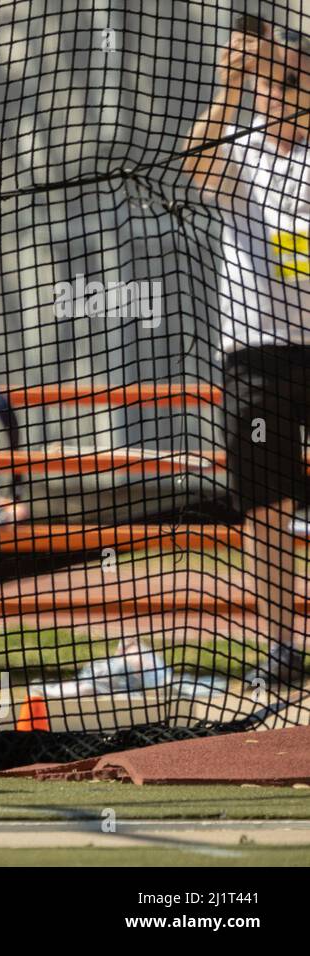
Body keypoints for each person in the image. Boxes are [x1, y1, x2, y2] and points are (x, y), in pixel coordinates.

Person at [182, 18, 310, 688]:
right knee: (265, 508)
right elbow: (192, 164)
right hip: (258, 359)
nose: (277, 91)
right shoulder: (241, 149)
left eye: (288, 78)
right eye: (268, 79)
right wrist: (229, 84)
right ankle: (282, 647)